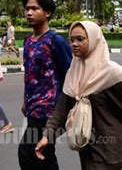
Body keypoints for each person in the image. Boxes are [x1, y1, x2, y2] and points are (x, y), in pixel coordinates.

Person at [35, 21, 122, 170]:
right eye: (72, 39)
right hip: (86, 148)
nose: (74, 44)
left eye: (80, 39)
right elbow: (62, 110)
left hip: (111, 151)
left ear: (94, 40)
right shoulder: (74, 73)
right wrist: (47, 136)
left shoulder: (113, 74)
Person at [18, 0, 73, 170]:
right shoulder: (28, 41)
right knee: (44, 154)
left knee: (27, 152)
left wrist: (66, 108)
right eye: (27, 9)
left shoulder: (55, 41)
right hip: (33, 107)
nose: (29, 13)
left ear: (47, 12)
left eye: (35, 8)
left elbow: (70, 73)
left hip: (50, 109)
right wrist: (25, 100)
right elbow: (29, 75)